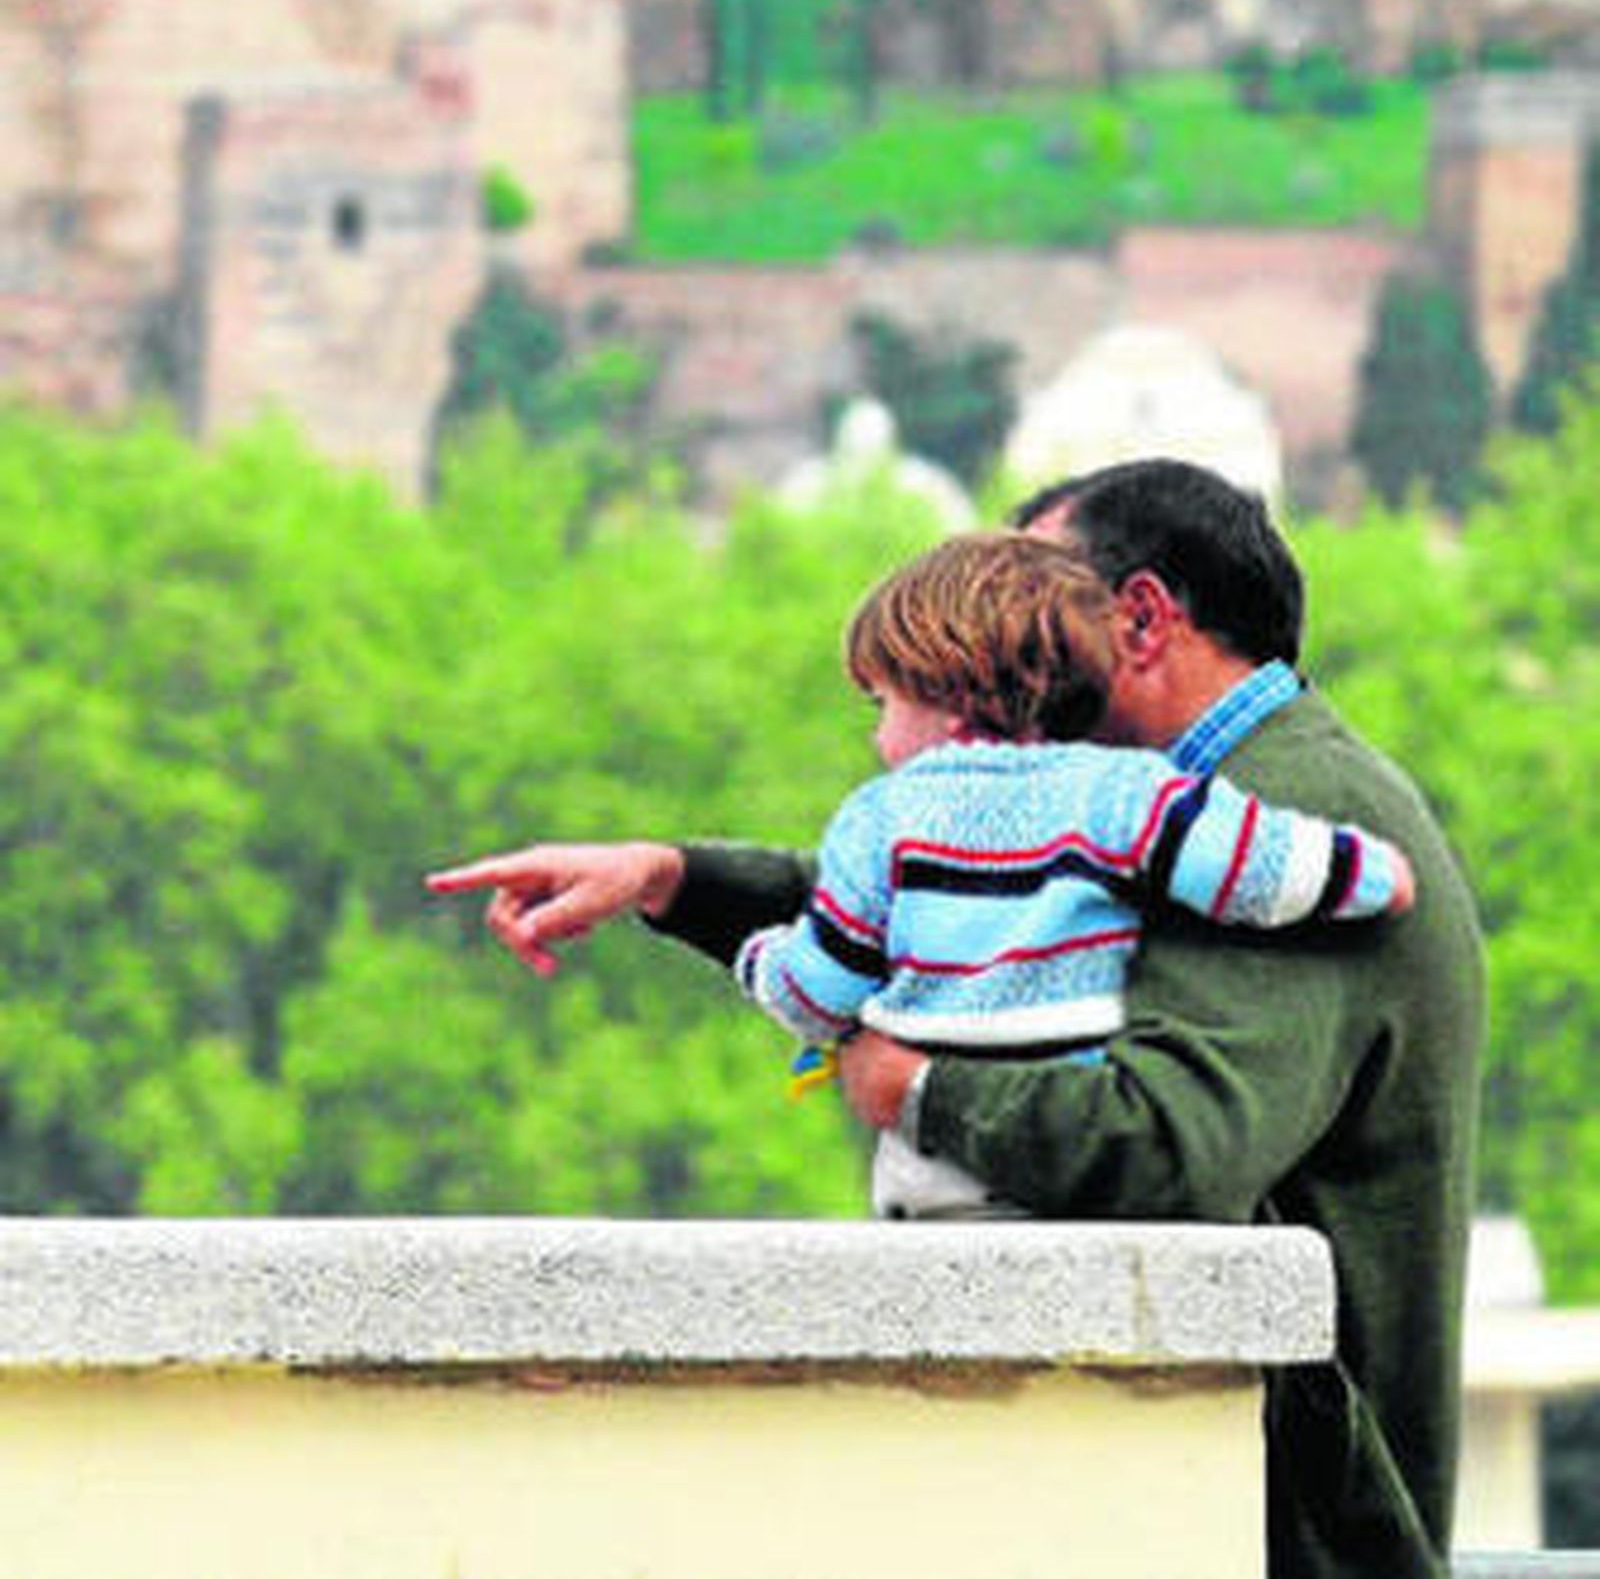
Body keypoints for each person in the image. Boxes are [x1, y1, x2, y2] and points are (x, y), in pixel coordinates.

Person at [426, 459, 1484, 1579]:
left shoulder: (1292, 810)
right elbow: (958, 898)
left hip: (1279, 1526)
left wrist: (919, 1086)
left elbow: (1174, 1143)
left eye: (1029, 598)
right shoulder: (1177, 805)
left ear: (1137, 619)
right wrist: (669, 879)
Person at [726, 529, 1412, 1217]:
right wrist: (1372, 874)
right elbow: (1253, 869)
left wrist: (759, 959)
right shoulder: (1123, 790)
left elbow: (819, 992)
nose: (879, 738)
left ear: (949, 691)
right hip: (1061, 1157)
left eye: (884, 704)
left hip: (934, 1177)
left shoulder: (880, 818)